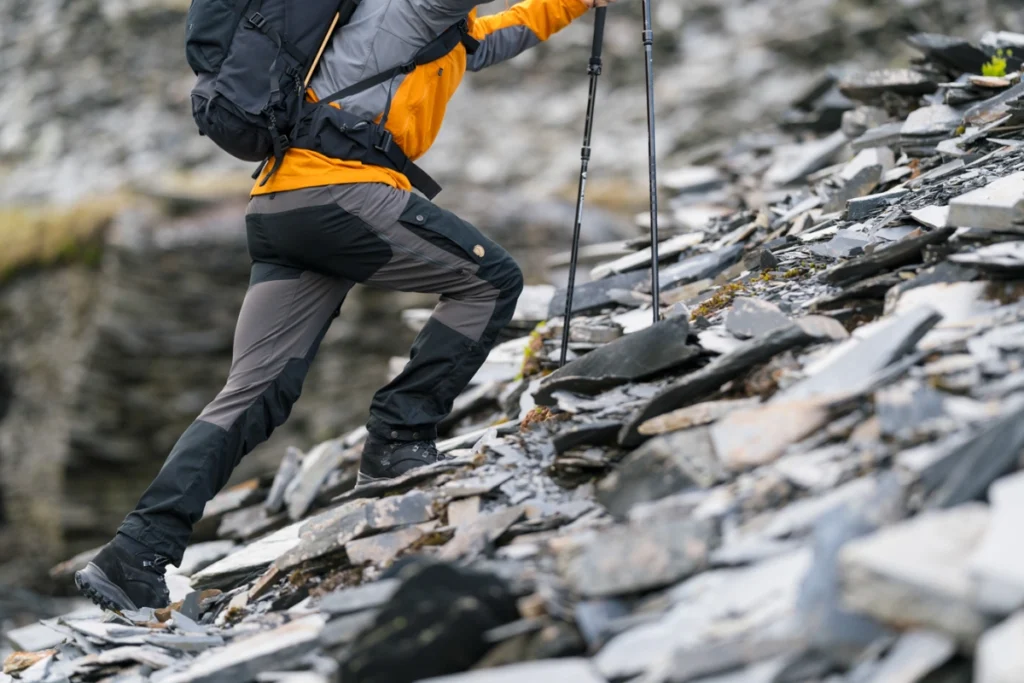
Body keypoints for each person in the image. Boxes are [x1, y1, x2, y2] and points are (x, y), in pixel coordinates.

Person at [75, 0, 619, 612]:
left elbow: (501, 33)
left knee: (254, 392)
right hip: (342, 194)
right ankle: (398, 439)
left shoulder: (437, 31)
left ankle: (135, 552)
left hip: (282, 205)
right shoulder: (409, 8)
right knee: (490, 281)